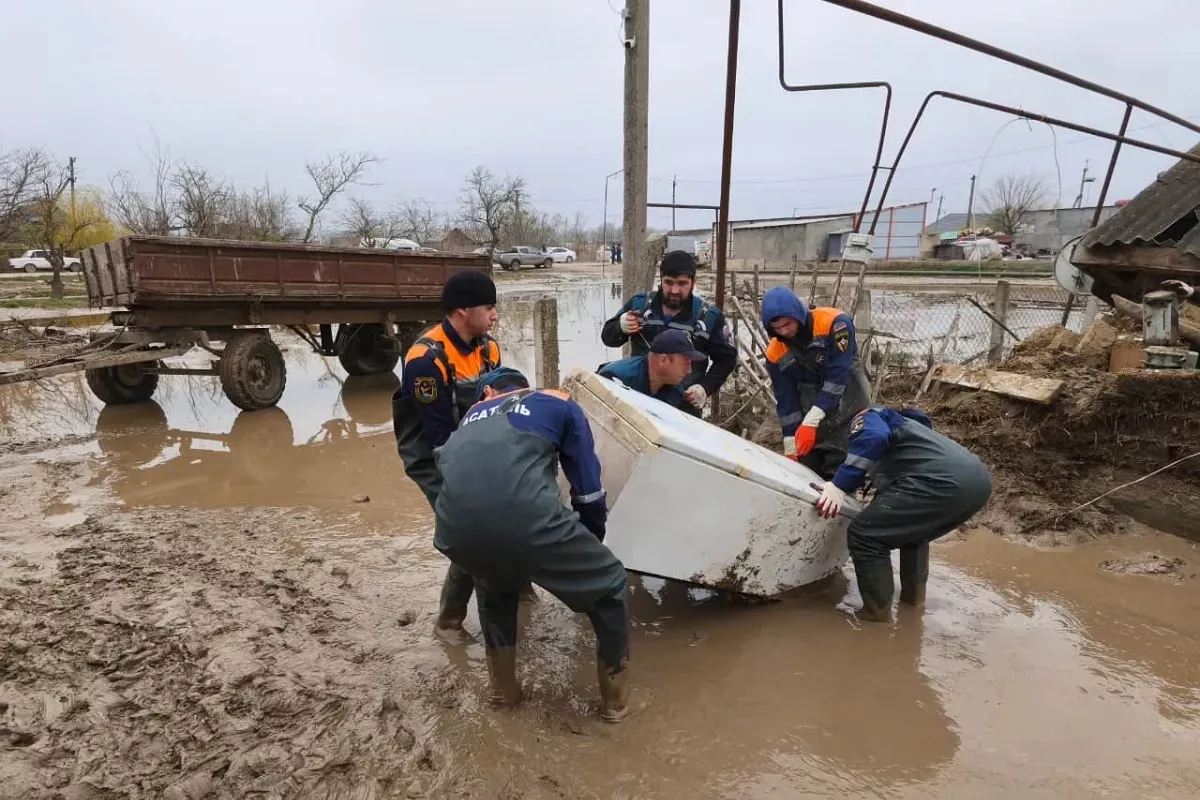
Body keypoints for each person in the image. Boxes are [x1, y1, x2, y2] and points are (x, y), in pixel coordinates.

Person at [432, 367, 634, 723]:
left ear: (489, 394)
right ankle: (616, 705)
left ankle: (503, 693)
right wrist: (587, 553)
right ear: (522, 388)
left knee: (493, 581)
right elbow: (587, 490)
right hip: (521, 517)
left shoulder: (469, 417)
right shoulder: (558, 401)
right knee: (612, 583)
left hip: (452, 526)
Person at [391, 270, 532, 640]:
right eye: (489, 307)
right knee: (471, 531)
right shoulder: (425, 361)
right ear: (463, 310)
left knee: (513, 512)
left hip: (477, 445)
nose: (495, 315)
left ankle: (519, 586)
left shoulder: (489, 349)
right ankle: (449, 621)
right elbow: (439, 438)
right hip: (434, 457)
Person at [813, 406, 992, 622]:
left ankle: (875, 616)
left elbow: (874, 436)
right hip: (979, 480)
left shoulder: (867, 416)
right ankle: (914, 604)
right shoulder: (912, 433)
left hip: (943, 482)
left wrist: (839, 485)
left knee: (865, 536)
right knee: (914, 533)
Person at [600, 250, 737, 416]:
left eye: (682, 283)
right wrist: (619, 327)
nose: (674, 290)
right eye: (669, 282)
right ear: (661, 280)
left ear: (694, 282)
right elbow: (608, 338)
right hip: (638, 401)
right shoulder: (640, 305)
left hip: (682, 408)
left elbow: (727, 359)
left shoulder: (709, 317)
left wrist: (704, 387)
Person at [760, 286, 870, 478]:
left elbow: (838, 377)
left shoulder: (835, 324)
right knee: (806, 472)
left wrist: (813, 419)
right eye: (777, 328)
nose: (785, 331)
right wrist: (790, 441)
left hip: (848, 405)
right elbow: (786, 399)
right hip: (808, 410)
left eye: (787, 324)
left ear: (798, 314)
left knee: (842, 471)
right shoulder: (775, 353)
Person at [596, 329, 707, 411]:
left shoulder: (674, 387)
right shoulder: (615, 379)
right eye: (686, 362)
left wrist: (691, 404)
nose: (689, 371)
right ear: (663, 360)